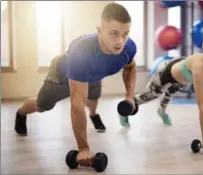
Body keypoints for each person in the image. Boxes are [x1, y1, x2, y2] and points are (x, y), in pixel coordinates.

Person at [15, 3, 136, 165]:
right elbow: (77, 103)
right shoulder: (82, 52)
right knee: (42, 105)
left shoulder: (128, 48)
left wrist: (129, 96)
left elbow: (130, 67)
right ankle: (21, 113)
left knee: (94, 96)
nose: (120, 41)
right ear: (99, 31)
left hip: (92, 74)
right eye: (114, 33)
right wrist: (83, 148)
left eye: (125, 34)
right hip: (61, 77)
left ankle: (93, 114)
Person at [119, 31, 203, 152]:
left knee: (169, 94)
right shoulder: (200, 66)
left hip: (183, 78)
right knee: (151, 95)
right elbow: (202, 107)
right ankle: (126, 109)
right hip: (167, 72)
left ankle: (161, 111)